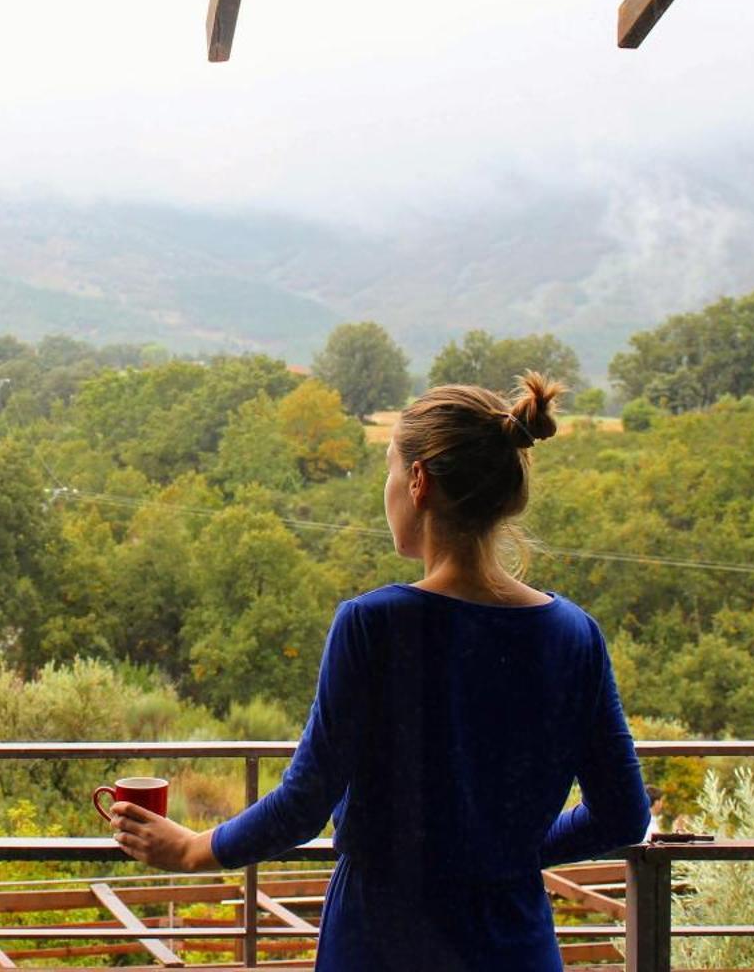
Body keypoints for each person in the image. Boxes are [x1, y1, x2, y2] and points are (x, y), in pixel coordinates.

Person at [109, 371, 650, 971]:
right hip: (517, 944)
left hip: (382, 941)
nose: (387, 489)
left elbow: (304, 802)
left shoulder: (374, 624)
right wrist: (506, 856)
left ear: (418, 482)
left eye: (389, 471)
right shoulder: (576, 635)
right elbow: (624, 813)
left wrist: (193, 849)